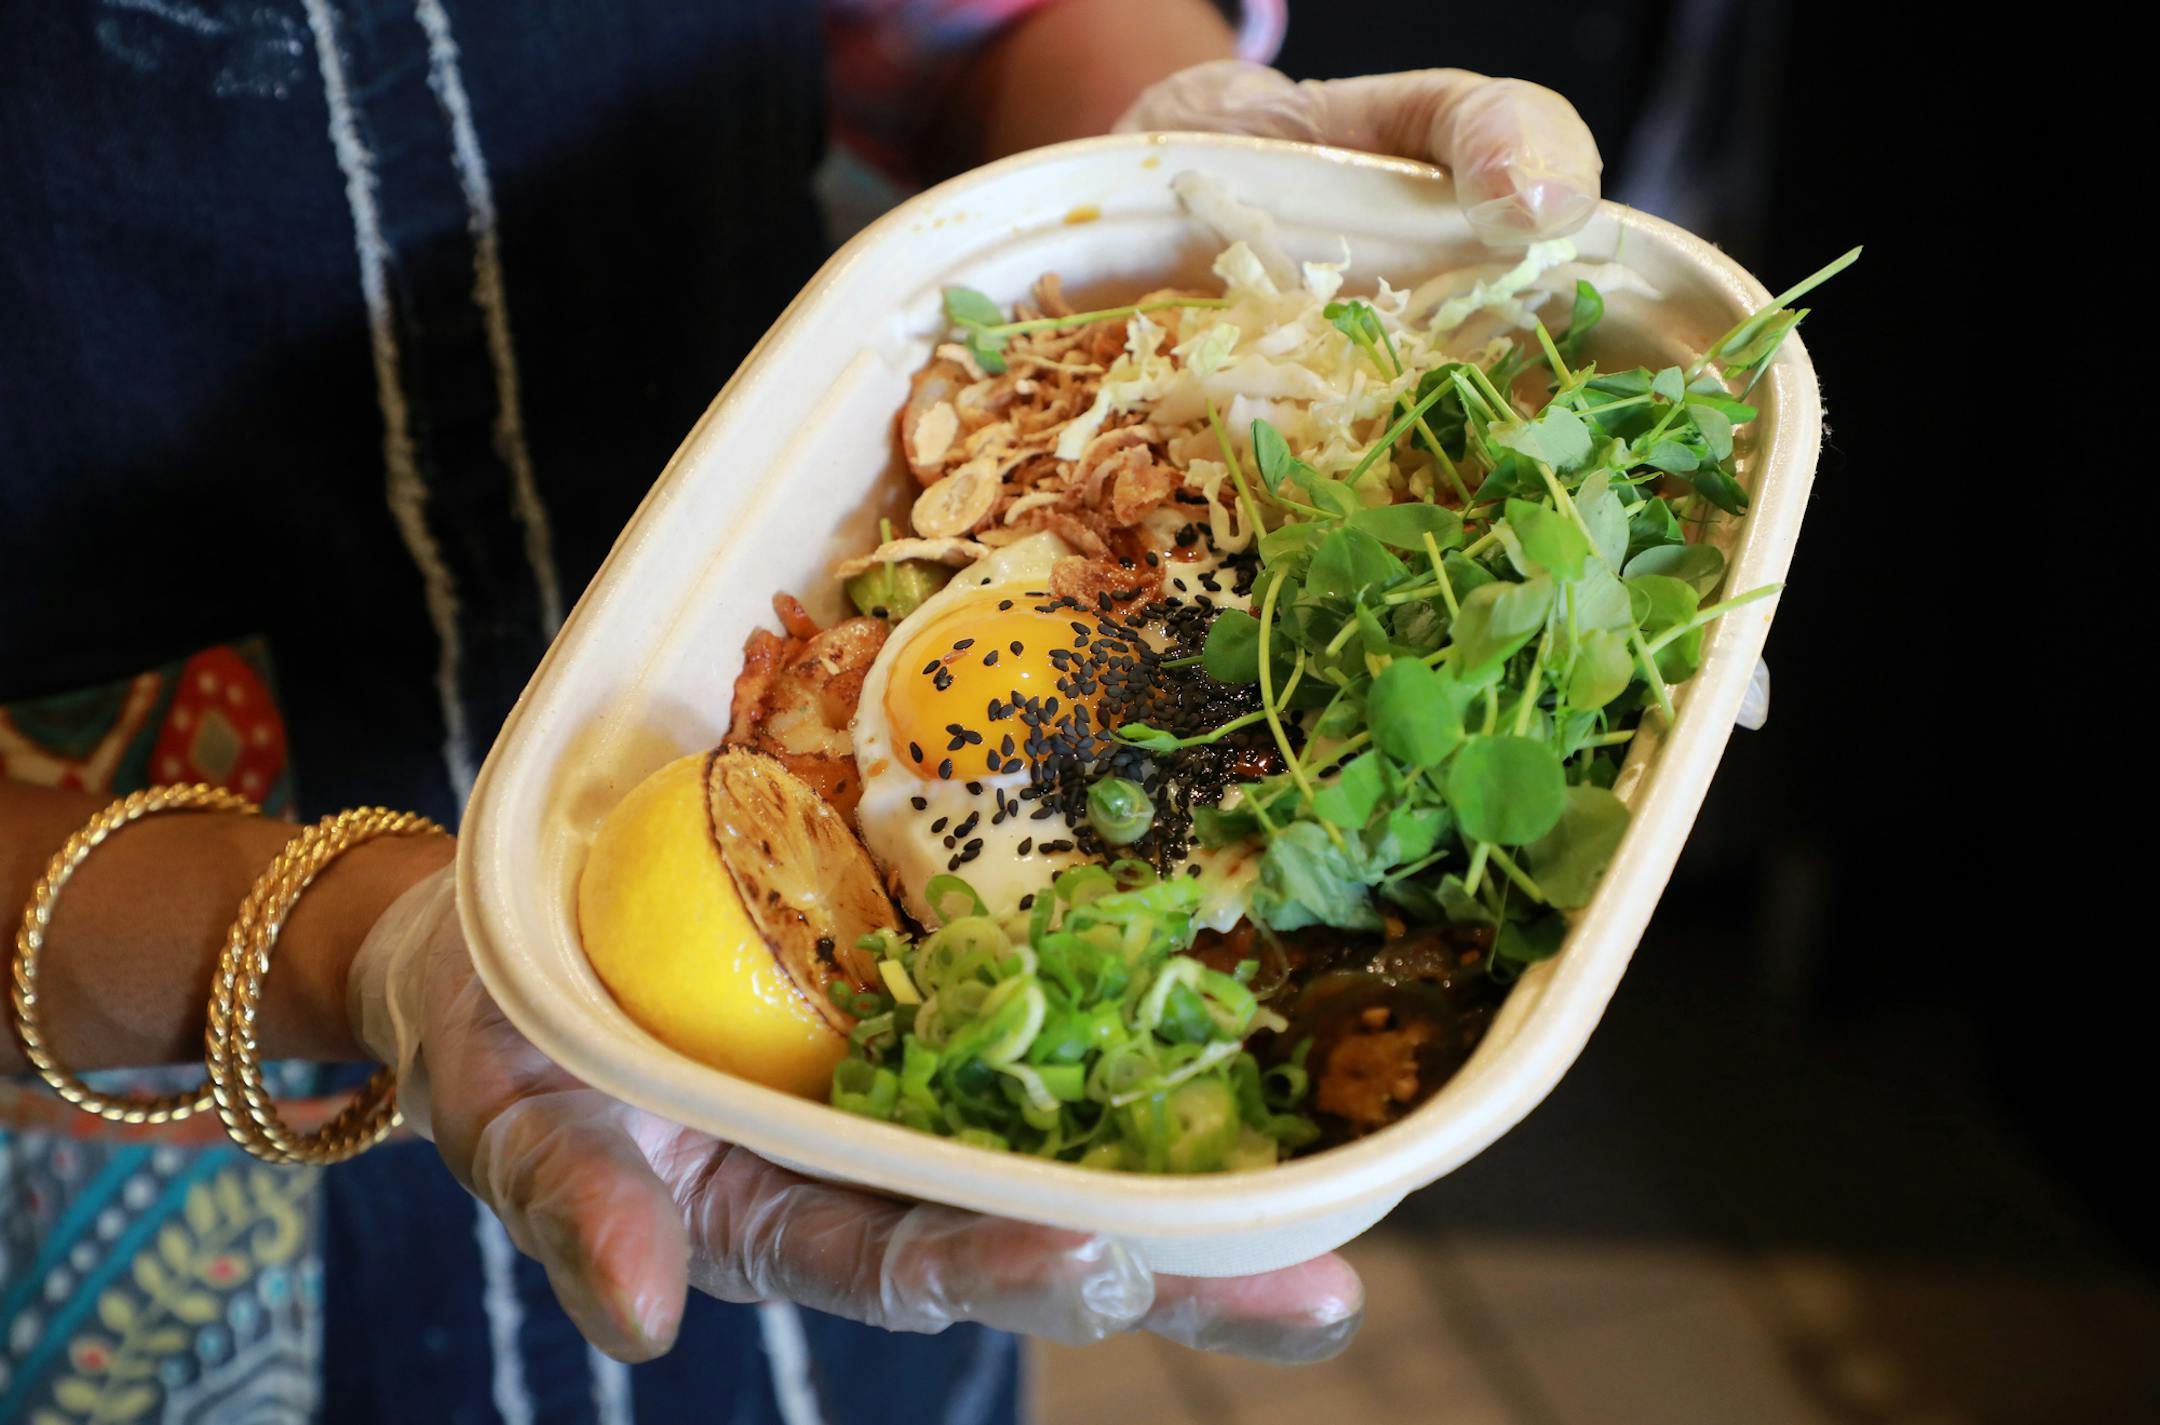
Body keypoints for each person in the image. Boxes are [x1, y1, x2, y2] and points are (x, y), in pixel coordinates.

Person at [0, 2, 1602, 1420]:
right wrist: (351, 942)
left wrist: (1165, 180)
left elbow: (975, 18)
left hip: (804, 1132)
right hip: (136, 1049)